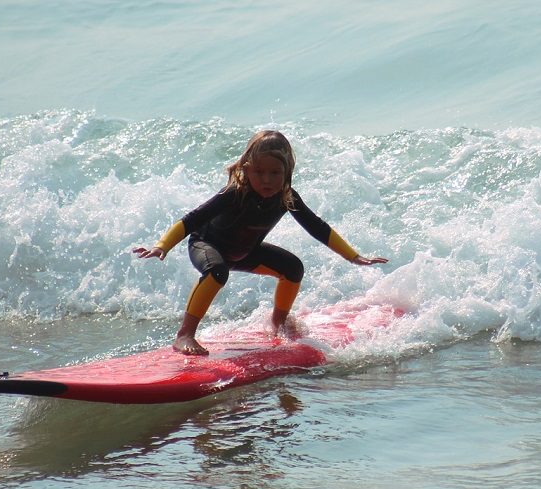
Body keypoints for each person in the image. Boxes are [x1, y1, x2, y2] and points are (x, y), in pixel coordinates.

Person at [133, 130, 388, 356]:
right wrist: (162, 245)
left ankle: (279, 323)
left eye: (275, 173)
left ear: (287, 172)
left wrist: (353, 256)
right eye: (259, 172)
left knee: (292, 268)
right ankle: (185, 334)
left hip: (245, 253)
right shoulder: (234, 194)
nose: (266, 180)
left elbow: (317, 227)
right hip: (207, 246)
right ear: (246, 169)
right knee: (217, 271)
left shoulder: (287, 197)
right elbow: (192, 219)